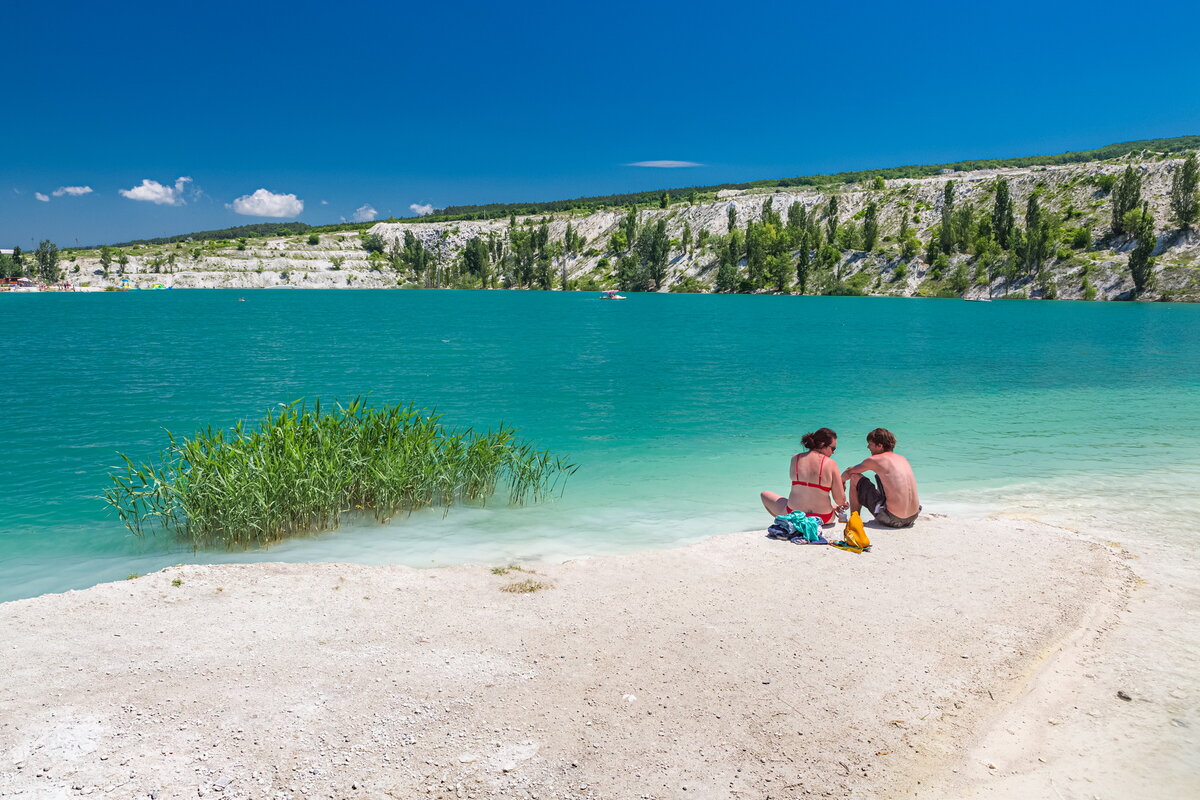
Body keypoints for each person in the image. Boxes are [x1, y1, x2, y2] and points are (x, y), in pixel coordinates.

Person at [760, 427, 848, 525]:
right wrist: (842, 491)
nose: (833, 452)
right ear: (823, 445)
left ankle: (790, 524)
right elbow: (840, 501)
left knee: (764, 494)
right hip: (823, 518)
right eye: (833, 448)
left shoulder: (795, 458)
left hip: (794, 514)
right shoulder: (831, 463)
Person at [840, 428, 921, 528]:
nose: (868, 447)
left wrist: (841, 482)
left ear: (880, 446)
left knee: (854, 477)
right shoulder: (902, 458)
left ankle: (854, 519)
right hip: (913, 516)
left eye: (870, 444)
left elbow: (849, 471)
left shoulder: (875, 460)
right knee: (882, 478)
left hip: (892, 519)